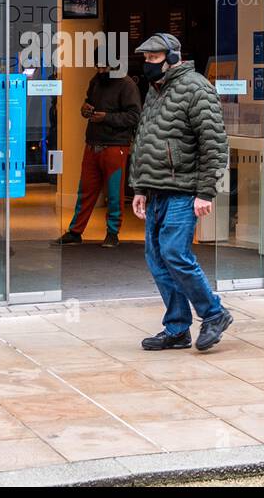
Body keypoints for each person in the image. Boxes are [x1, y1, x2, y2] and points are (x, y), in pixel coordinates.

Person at [129, 32, 232, 352]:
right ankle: (176, 328)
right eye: (146, 59)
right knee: (158, 259)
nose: (148, 64)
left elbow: (214, 143)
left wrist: (206, 192)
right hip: (157, 190)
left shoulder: (196, 88)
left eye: (154, 58)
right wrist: (140, 187)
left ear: (173, 57)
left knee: (175, 253)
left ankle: (214, 313)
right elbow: (145, 139)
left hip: (183, 191)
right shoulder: (155, 91)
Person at [53, 49, 141, 249]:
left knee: (114, 193)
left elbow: (135, 116)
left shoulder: (127, 85)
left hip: (116, 144)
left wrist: (106, 117)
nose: (101, 70)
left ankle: (112, 233)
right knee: (85, 190)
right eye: (98, 66)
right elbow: (89, 101)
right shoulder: (96, 80)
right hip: (93, 142)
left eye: (105, 66)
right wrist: (85, 108)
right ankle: (75, 231)